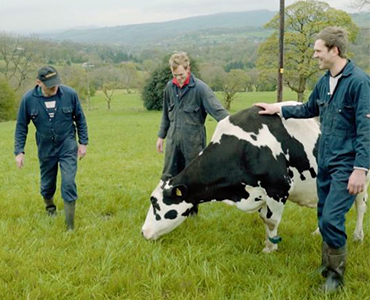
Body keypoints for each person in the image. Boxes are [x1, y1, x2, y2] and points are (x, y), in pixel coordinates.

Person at [255, 27, 370, 293]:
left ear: (334, 50)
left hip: (347, 164)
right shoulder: (323, 81)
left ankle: (335, 278)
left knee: (331, 218)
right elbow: (308, 109)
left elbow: (366, 129)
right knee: (323, 216)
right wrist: (277, 109)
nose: (315, 55)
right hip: (325, 162)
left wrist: (360, 169)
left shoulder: (359, 82)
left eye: (318, 50)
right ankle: (326, 266)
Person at [14, 66, 89, 230]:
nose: (55, 88)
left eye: (56, 84)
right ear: (39, 82)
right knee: (47, 185)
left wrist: (83, 142)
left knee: (68, 182)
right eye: (50, 85)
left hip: (67, 144)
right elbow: (21, 126)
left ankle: (70, 226)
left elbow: (80, 119)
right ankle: (50, 207)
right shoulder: (28, 99)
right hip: (45, 147)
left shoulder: (69, 94)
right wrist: (19, 151)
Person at [157, 52, 229, 214]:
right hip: (173, 141)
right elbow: (165, 115)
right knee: (169, 176)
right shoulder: (169, 87)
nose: (179, 79)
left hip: (193, 142)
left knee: (192, 178)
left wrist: (237, 128)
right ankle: (169, 208)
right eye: (175, 75)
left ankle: (191, 211)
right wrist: (161, 136)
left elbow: (219, 113)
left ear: (188, 69)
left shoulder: (200, 89)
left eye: (181, 75)